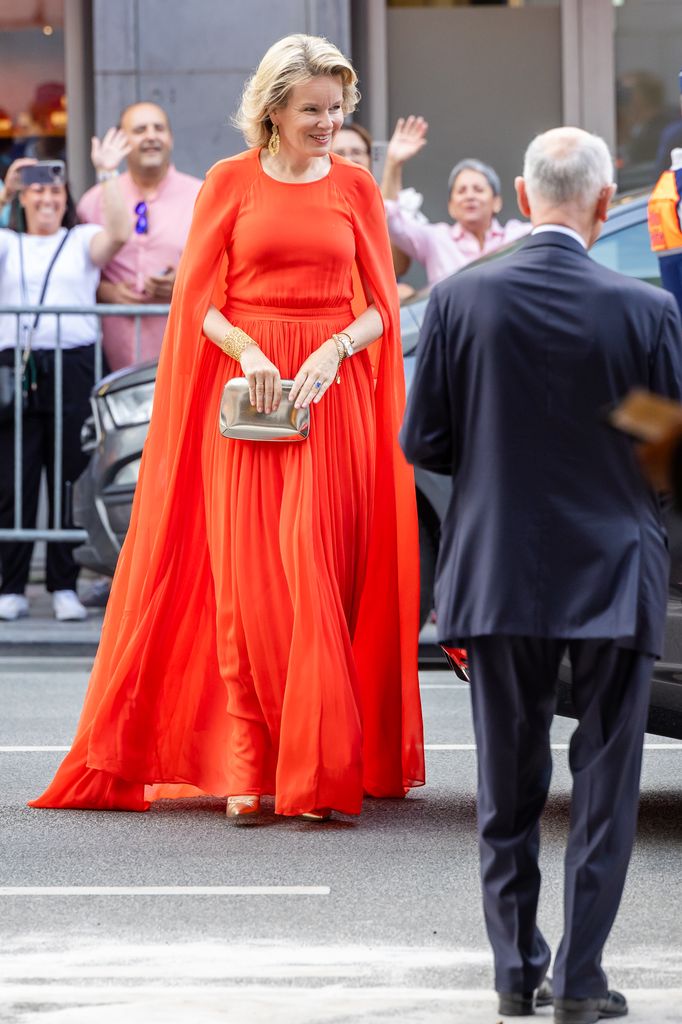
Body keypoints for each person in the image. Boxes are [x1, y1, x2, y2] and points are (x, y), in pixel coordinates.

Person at [29, 34, 424, 822]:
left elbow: (384, 305)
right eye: (312, 109)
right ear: (273, 109)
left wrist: (334, 348)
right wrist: (247, 349)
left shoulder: (354, 188)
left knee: (316, 577)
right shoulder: (229, 182)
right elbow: (197, 300)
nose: (328, 122)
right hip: (248, 403)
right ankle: (250, 763)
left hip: (333, 402)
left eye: (336, 107)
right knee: (247, 587)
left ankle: (314, 768)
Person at [400, 127, 682, 1023]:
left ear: (523, 198)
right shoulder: (645, 311)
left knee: (507, 778)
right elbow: (667, 457)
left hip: (498, 568)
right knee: (605, 785)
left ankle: (515, 969)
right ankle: (581, 978)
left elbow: (424, 442)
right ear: (604, 201)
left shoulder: (461, 300)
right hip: (613, 568)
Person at [0, 130, 131, 622]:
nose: (47, 198)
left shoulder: (79, 239)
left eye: (55, 189)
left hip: (74, 364)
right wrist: (4, 191)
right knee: (15, 477)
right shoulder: (8, 242)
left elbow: (118, 233)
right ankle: (11, 585)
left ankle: (63, 584)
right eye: (36, 189)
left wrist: (107, 173)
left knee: (69, 476)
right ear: (23, 197)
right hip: (17, 368)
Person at [77, 102, 203, 372]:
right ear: (123, 141)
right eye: (140, 130)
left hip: (183, 347)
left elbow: (222, 268)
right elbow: (76, 272)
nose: (151, 136)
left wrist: (182, 283)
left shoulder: (202, 196)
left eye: (159, 128)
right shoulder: (94, 200)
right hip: (113, 357)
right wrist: (108, 292)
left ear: (171, 138)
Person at [382, 115, 530, 285]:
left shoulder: (518, 237)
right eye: (461, 191)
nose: (470, 196)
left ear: (497, 202)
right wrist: (393, 164)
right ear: (451, 207)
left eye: (478, 189)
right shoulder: (436, 240)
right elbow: (391, 218)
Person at [331, 122, 412, 286]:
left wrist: (394, 166)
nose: (349, 159)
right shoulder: (315, 201)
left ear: (369, 159)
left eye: (357, 152)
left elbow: (397, 266)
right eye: (339, 153)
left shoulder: (378, 199)